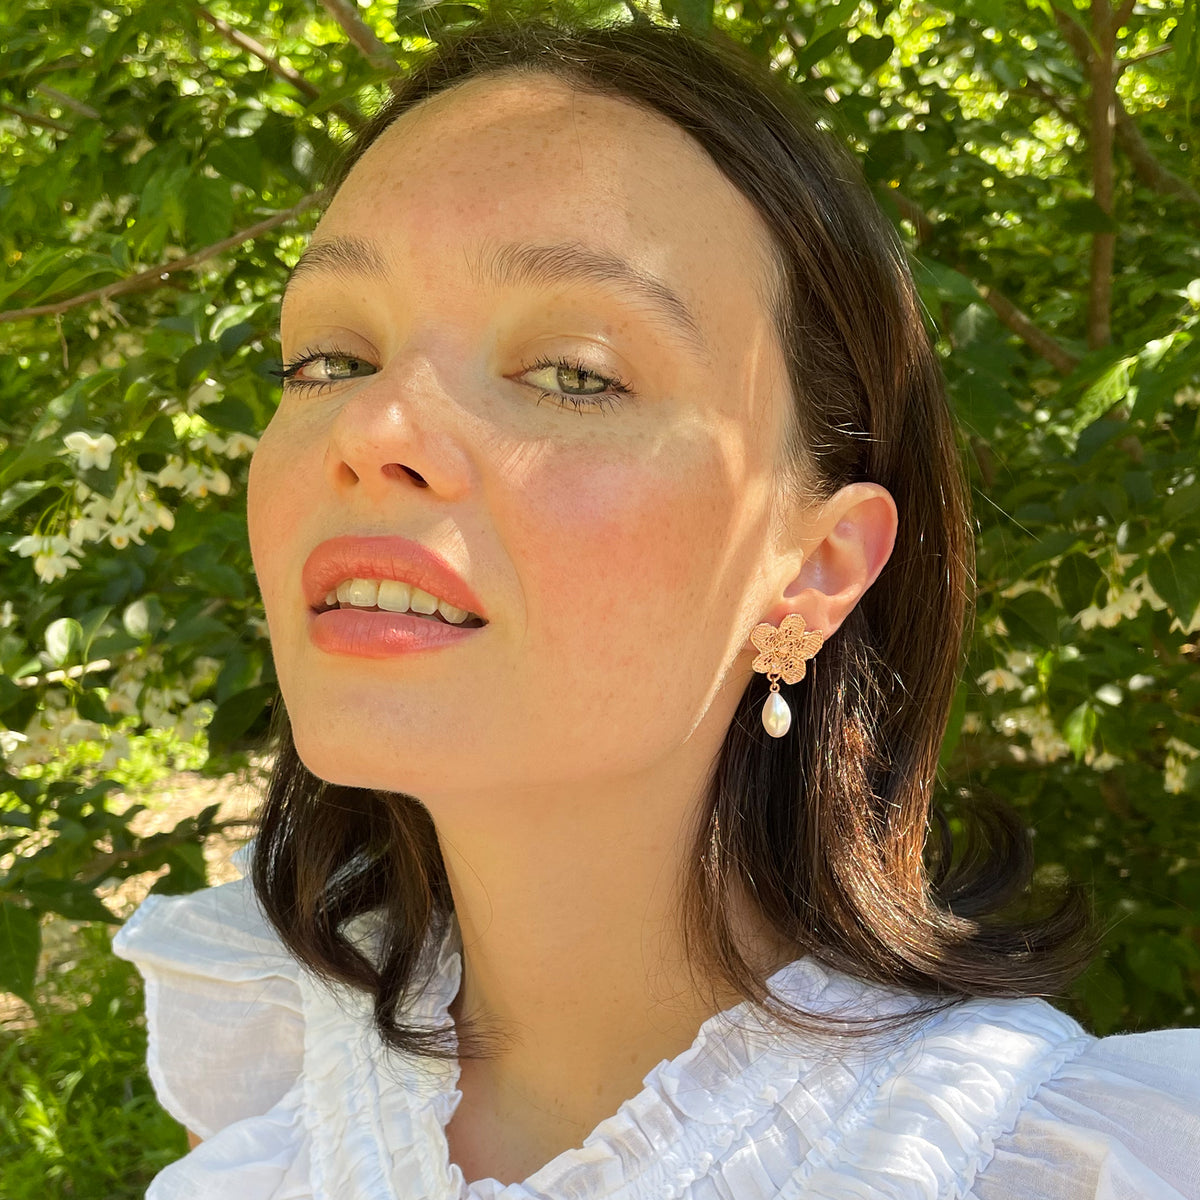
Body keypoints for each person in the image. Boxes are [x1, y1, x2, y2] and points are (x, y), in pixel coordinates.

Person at [112, 15, 1200, 1200]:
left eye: (575, 372)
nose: (375, 427)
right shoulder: (270, 1064)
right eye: (327, 357)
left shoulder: (1061, 1166)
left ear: (817, 568)